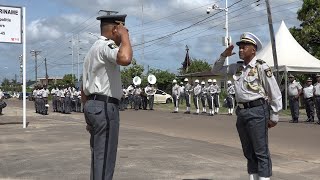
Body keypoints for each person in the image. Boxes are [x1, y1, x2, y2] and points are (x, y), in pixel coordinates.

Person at [212, 32, 282, 180]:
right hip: (242, 112)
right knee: (248, 152)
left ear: (253, 50)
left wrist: (274, 115)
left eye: (244, 47)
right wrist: (224, 55)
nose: (241, 50)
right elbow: (215, 70)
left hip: (258, 110)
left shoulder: (261, 67)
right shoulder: (236, 68)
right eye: (240, 47)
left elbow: (274, 92)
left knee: (260, 151)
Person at [81, 12, 132, 180]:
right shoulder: (106, 46)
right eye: (124, 28)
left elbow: (83, 88)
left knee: (99, 157)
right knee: (105, 158)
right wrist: (124, 37)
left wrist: (88, 116)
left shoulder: (91, 51)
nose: (126, 32)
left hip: (93, 106)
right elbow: (125, 58)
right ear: (115, 29)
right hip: (104, 107)